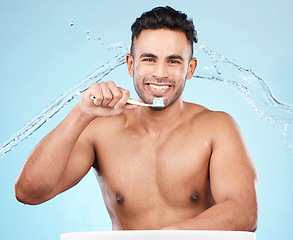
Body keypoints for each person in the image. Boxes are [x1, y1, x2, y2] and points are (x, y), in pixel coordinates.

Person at [15, 6, 258, 231]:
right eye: (149, 59)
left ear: (190, 68)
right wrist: (81, 114)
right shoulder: (99, 129)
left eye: (173, 61)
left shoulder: (217, 127)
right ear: (131, 64)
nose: (160, 73)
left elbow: (245, 212)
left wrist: (164, 238)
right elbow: (29, 193)